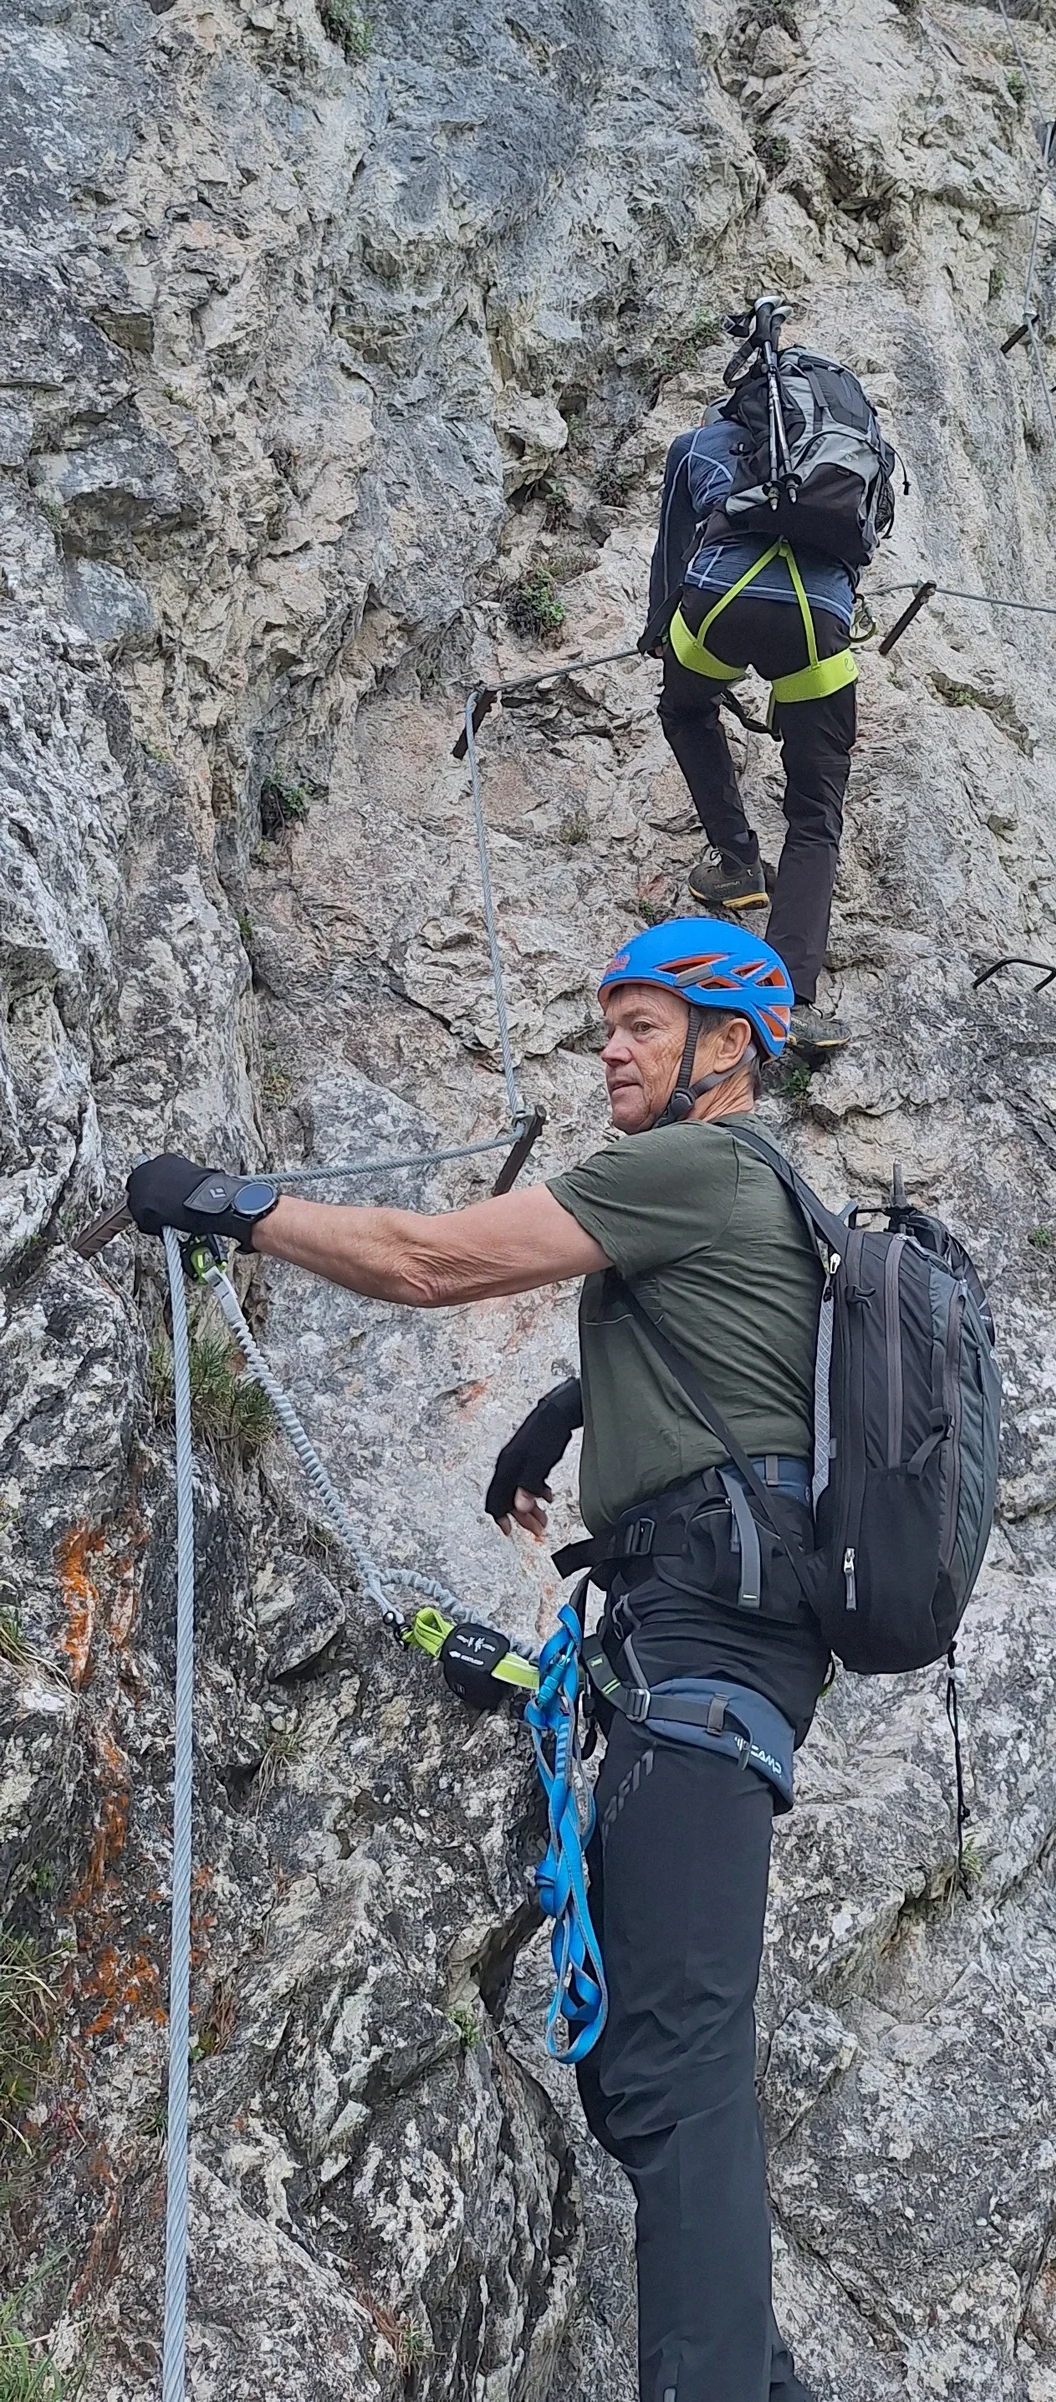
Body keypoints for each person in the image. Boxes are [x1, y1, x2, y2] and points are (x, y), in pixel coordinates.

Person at [126, 918, 829, 2402]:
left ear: (729, 1044)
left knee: (676, 2065)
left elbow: (430, 1257)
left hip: (701, 1658)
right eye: (606, 1028)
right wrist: (577, 1404)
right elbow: (749, 1372)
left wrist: (228, 1202)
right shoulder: (763, 1199)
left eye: (644, 1023)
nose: (613, 1051)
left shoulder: (696, 1164)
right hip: (707, 1657)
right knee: (646, 2066)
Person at [643, 336, 874, 1067]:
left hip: (719, 603)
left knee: (685, 708)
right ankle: (788, 1002)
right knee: (815, 813)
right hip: (818, 624)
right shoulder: (846, 454)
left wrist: (661, 632)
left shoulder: (700, 442)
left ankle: (737, 858)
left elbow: (673, 550)